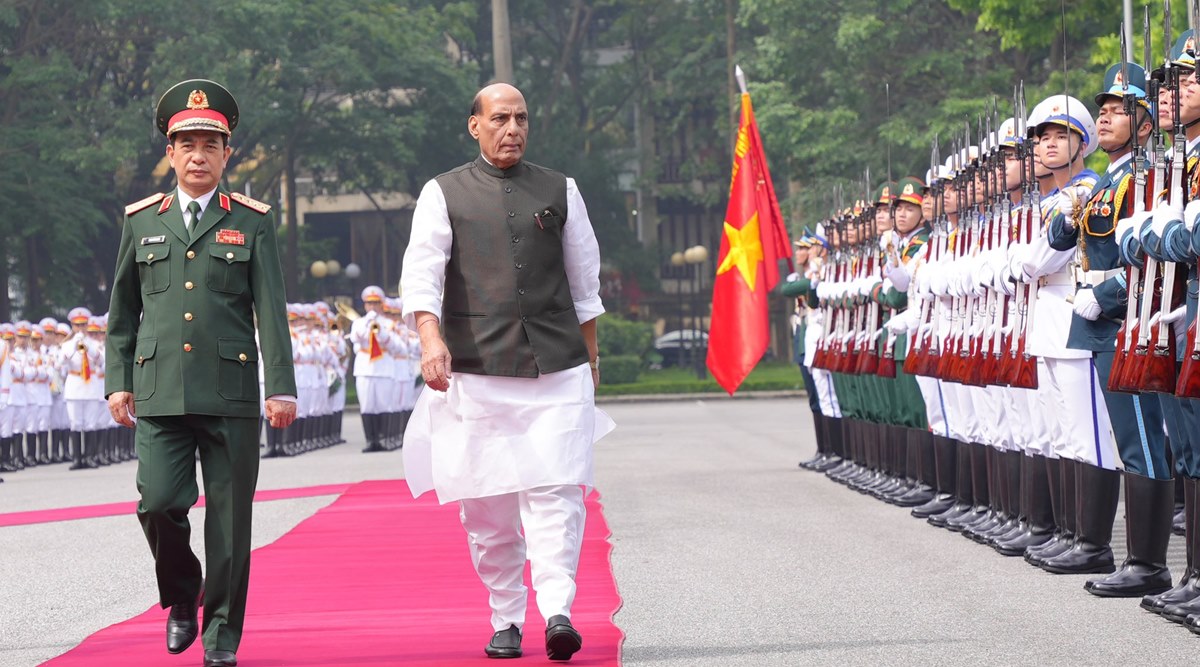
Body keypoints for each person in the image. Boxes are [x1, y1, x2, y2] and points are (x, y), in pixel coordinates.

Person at [400, 82, 614, 662]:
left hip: (558, 368)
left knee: (557, 495)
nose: (512, 128)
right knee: (488, 508)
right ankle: (505, 617)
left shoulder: (560, 189)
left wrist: (591, 360)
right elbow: (422, 275)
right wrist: (429, 340)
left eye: (521, 117)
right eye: (500, 118)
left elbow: (585, 282)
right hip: (476, 370)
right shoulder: (442, 192)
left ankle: (559, 611)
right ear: (475, 125)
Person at [105, 79, 297, 667]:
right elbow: (122, 310)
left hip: (231, 394)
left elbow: (271, 308)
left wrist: (281, 385)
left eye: (208, 145)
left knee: (230, 526)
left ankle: (220, 638)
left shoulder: (253, 221)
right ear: (170, 153)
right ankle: (182, 595)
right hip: (159, 391)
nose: (197, 155)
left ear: (225, 154)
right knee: (158, 503)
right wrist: (118, 379)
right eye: (185, 144)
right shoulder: (142, 222)